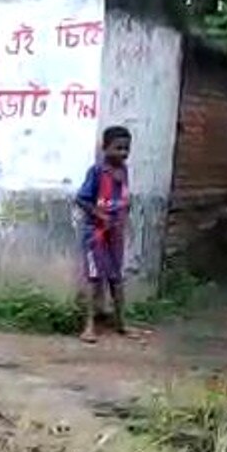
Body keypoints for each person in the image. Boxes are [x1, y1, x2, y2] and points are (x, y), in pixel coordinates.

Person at [76, 126, 133, 343]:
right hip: (96, 234)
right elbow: (81, 199)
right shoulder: (97, 171)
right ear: (105, 148)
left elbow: (124, 198)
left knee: (116, 278)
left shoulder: (124, 171)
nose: (123, 153)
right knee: (94, 278)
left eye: (126, 149)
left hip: (116, 234)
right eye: (118, 148)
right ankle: (89, 326)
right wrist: (100, 215)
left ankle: (121, 323)